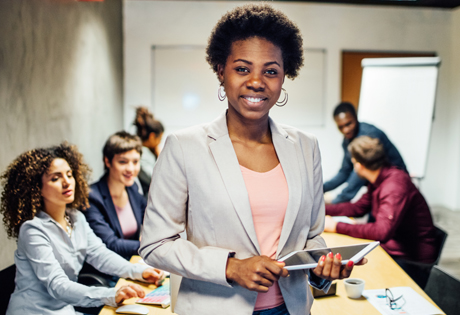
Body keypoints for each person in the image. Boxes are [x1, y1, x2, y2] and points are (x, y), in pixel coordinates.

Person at [139, 4, 365, 315]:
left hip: (292, 308)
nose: (257, 81)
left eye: (271, 71)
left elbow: (312, 236)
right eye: (242, 68)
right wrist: (231, 267)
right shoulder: (184, 147)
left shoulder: (306, 147)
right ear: (221, 71)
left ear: (284, 77)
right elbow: (155, 244)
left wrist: (321, 269)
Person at [0, 143, 164, 315]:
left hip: (65, 310)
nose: (67, 182)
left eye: (69, 175)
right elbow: (57, 285)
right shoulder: (32, 230)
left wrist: (140, 272)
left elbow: (100, 255)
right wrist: (111, 294)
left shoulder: (76, 218)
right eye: (55, 178)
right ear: (36, 188)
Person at [324, 136, 437, 264]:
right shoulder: (378, 180)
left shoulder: (393, 186)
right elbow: (358, 208)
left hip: (411, 261)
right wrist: (321, 210)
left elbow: (381, 231)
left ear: (359, 165)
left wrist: (336, 226)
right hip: (392, 249)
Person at [323, 102, 407, 204]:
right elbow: (345, 171)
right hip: (376, 186)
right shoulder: (347, 141)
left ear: (356, 118)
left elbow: (358, 176)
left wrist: (335, 202)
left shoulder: (370, 135)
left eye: (348, 124)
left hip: (395, 184)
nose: (345, 130)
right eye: (340, 127)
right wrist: (320, 189)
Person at [84, 131, 147, 259]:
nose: (131, 169)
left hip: (133, 263)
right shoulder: (92, 197)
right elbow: (110, 244)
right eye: (123, 162)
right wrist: (147, 246)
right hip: (107, 272)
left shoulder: (133, 189)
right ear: (107, 161)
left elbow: (151, 218)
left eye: (135, 162)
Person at [133, 106, 164, 198]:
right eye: (160, 139)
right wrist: (161, 157)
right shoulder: (142, 155)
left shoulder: (147, 152)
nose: (159, 142)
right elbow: (156, 181)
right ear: (152, 136)